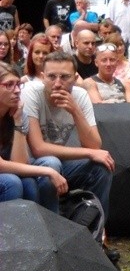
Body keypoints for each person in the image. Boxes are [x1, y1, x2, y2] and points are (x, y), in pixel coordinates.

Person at [22, 52, 116, 255]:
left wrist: (75, 111)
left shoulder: (80, 96)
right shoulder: (32, 93)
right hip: (32, 165)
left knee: (101, 167)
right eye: (51, 77)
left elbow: (94, 144)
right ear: (42, 76)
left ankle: (95, 237)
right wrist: (89, 153)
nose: (57, 83)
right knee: (51, 162)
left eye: (64, 77)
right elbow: (38, 147)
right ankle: (52, 240)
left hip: (63, 164)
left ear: (75, 77)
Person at [0, 62, 66, 212]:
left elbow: (20, 162)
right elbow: (2, 166)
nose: (16, 90)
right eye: (9, 85)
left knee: (38, 174)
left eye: (18, 84)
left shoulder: (18, 113)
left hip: (10, 172)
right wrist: (48, 171)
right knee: (11, 182)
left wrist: (17, 122)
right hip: (6, 176)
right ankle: (10, 234)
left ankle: (45, 230)